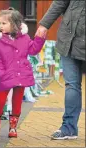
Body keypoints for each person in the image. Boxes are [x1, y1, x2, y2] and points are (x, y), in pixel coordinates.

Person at [0, 7, 45, 138]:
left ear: (14, 24)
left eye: (4, 23)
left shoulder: (24, 38)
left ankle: (13, 127)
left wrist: (39, 38)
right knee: (0, 101)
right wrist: (1, 74)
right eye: (0, 23)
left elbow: (32, 50)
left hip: (21, 74)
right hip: (5, 76)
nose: (0, 26)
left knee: (17, 101)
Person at [36, 1, 85, 140]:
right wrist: (45, 24)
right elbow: (60, 2)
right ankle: (68, 128)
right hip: (69, 40)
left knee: (72, 85)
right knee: (72, 85)